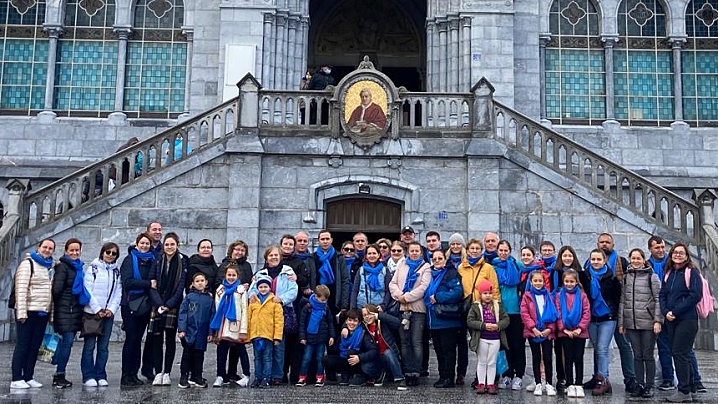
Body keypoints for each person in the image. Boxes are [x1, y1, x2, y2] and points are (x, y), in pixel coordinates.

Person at [587, 233, 637, 393]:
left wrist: (623, 315)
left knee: (624, 345)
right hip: (596, 315)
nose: (604, 244)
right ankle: (598, 377)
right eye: (601, 242)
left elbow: (626, 288)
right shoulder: (588, 267)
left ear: (613, 245)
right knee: (599, 347)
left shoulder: (621, 262)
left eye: (607, 242)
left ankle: (630, 378)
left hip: (616, 313)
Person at [248, 246, 298, 385]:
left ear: (280, 257)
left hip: (281, 310)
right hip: (262, 313)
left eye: (276, 255)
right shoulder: (260, 274)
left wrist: (281, 299)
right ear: (266, 258)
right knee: (261, 351)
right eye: (271, 255)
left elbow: (293, 291)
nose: (274, 257)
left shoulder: (288, 272)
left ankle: (277, 376)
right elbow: (252, 291)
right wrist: (252, 295)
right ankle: (262, 376)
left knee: (278, 348)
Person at [660, 243, 702, 403]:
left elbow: (695, 295)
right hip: (671, 319)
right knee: (680, 353)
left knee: (680, 353)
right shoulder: (669, 272)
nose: (677, 255)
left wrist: (675, 311)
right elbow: (662, 294)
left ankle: (683, 390)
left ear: (686, 256)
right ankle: (691, 387)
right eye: (675, 252)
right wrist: (665, 312)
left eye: (681, 253)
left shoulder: (692, 272)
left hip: (687, 318)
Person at [10, 238, 55, 390]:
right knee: (23, 345)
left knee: (35, 346)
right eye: (45, 247)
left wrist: (51, 314)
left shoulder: (50, 267)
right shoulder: (28, 264)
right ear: (38, 247)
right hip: (28, 310)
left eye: (50, 248)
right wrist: (21, 312)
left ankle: (28, 376)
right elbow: (21, 289)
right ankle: (16, 377)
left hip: (42, 312)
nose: (47, 250)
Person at [618, 248, 662, 399]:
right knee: (637, 355)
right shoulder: (626, 277)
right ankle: (639, 383)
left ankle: (649, 385)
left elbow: (658, 300)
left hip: (648, 322)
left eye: (639, 258)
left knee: (648, 355)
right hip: (632, 323)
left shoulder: (652, 277)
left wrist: (657, 320)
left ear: (643, 260)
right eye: (633, 258)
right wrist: (622, 322)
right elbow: (623, 301)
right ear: (630, 259)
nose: (636, 261)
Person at [388, 241, 431, 387]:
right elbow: (392, 284)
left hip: (418, 309)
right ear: (408, 252)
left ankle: (416, 372)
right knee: (404, 342)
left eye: (416, 250)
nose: (414, 253)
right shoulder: (402, 265)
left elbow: (423, 287)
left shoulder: (426, 267)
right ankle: (407, 371)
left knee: (416, 342)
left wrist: (406, 297)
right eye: (411, 250)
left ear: (421, 252)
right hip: (402, 309)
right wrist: (399, 295)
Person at [457, 238, 499, 387]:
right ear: (467, 250)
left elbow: (494, 288)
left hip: (483, 308)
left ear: (481, 250)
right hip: (467, 308)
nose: (474, 251)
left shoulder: (488, 268)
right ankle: (468, 374)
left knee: (483, 341)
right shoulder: (461, 267)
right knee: (468, 341)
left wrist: (495, 307)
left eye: (477, 248)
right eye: (471, 248)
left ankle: (483, 378)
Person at [148, 232, 187, 386]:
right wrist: (159, 304)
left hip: (173, 305)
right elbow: (152, 283)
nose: (169, 247)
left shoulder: (183, 261)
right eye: (167, 244)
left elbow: (180, 286)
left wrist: (169, 305)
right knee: (156, 339)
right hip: (158, 305)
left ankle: (167, 372)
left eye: (172, 244)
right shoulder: (157, 260)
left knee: (170, 340)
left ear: (177, 245)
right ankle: (158, 371)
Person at [81, 242, 122, 387]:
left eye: (113, 253)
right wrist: (97, 308)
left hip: (108, 314)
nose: (110, 255)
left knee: (103, 347)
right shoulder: (93, 268)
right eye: (108, 252)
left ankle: (100, 374)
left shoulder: (116, 271)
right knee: (89, 346)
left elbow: (118, 292)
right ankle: (88, 375)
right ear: (102, 252)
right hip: (92, 313)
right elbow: (87, 290)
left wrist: (111, 309)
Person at [583, 248, 621, 396]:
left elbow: (617, 300)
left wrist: (619, 318)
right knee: (597, 349)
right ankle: (600, 378)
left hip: (608, 317)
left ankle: (602, 380)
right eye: (593, 259)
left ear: (604, 260)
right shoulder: (585, 276)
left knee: (602, 348)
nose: (596, 262)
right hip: (592, 318)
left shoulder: (611, 278)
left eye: (599, 259)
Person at [120, 233, 157, 386]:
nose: (144, 245)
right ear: (136, 244)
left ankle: (134, 373)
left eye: (147, 243)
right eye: (142, 243)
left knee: (137, 341)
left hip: (144, 305)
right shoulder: (129, 260)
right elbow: (127, 282)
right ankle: (126, 375)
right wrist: (148, 284)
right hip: (130, 305)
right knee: (131, 340)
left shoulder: (152, 260)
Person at [52, 238, 88, 389]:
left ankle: (60, 373)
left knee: (67, 343)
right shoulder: (63, 267)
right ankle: (59, 375)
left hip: (74, 311)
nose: (74, 252)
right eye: (71, 250)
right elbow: (57, 290)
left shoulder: (78, 267)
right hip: (66, 310)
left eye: (77, 250)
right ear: (66, 251)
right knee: (66, 343)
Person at [424, 249, 463, 388]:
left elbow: (458, 293)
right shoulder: (429, 274)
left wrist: (438, 297)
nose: (437, 261)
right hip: (434, 319)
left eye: (440, 258)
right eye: (434, 259)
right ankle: (442, 376)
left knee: (448, 350)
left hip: (447, 319)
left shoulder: (451, 273)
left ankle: (449, 377)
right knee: (439, 350)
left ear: (445, 260)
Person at [215, 240, 252, 384]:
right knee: (223, 346)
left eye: (242, 250)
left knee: (237, 348)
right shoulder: (224, 265)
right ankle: (221, 374)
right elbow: (218, 281)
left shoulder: (247, 266)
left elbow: (250, 281)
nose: (239, 252)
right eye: (237, 249)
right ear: (231, 250)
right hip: (226, 310)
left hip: (239, 310)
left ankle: (232, 372)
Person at [491, 240, 524, 391]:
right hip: (499, 310)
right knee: (504, 345)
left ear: (510, 251)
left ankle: (519, 375)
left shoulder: (517, 265)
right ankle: (506, 374)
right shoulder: (493, 267)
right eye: (501, 250)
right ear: (497, 251)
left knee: (517, 344)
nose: (503, 253)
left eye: (506, 250)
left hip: (515, 310)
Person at [467, 279, 509, 395]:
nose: (488, 296)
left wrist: (498, 326)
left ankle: (490, 383)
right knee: (482, 361)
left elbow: (506, 319)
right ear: (480, 294)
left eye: (490, 293)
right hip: (482, 338)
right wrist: (483, 326)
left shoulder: (497, 306)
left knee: (492, 362)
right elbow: (470, 321)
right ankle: (481, 383)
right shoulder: (476, 306)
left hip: (495, 338)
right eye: (485, 293)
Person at [521, 269, 559, 396]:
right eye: (535, 281)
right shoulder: (527, 296)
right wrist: (533, 328)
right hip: (533, 332)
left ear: (544, 282)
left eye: (540, 280)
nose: (538, 283)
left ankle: (548, 383)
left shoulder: (549, 296)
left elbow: (554, 313)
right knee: (536, 357)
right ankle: (538, 383)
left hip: (547, 332)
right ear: (531, 282)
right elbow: (525, 314)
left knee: (548, 357)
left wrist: (550, 329)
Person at [211, 264, 249, 388]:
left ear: (238, 276)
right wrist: (215, 330)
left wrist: (243, 329)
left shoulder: (241, 290)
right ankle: (220, 375)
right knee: (221, 352)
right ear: (225, 275)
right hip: (223, 325)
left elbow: (244, 309)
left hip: (236, 325)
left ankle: (246, 375)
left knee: (241, 351)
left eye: (233, 275)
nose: (231, 277)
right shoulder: (220, 290)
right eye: (229, 275)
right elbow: (217, 309)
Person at [279, 234, 310, 385]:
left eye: (291, 244)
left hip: (295, 307)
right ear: (281, 245)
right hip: (278, 307)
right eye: (285, 244)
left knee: (295, 343)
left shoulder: (299, 262)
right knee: (280, 342)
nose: (288, 246)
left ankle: (295, 374)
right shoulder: (274, 259)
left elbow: (305, 279)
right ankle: (281, 373)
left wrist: (297, 277)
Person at [555, 269, 590, 398]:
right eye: (566, 281)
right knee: (568, 359)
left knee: (579, 358)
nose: (569, 284)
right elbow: (558, 313)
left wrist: (580, 328)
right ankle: (569, 384)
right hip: (565, 332)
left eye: (572, 281)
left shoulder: (582, 296)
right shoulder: (559, 296)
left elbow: (586, 313)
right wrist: (563, 329)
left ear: (576, 282)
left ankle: (579, 384)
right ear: (563, 282)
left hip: (580, 332)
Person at [322, 309, 382, 386]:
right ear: (346, 322)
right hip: (344, 359)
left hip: (360, 361)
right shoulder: (343, 333)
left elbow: (373, 351)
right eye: (349, 320)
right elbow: (335, 349)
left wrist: (359, 357)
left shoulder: (363, 333)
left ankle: (360, 375)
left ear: (359, 322)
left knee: (351, 352)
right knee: (327, 359)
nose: (351, 323)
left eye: (355, 321)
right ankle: (345, 374)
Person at [177, 272, 215, 389]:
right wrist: (182, 329)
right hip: (189, 330)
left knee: (199, 355)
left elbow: (212, 316)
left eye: (202, 281)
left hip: (202, 332)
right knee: (187, 354)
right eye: (197, 281)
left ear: (206, 283)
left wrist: (210, 332)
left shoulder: (209, 299)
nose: (200, 283)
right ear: (193, 284)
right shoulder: (189, 297)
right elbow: (182, 313)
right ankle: (184, 377)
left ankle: (197, 376)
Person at [248, 274, 284, 388]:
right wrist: (248, 334)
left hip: (268, 335)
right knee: (257, 358)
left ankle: (266, 378)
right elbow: (249, 319)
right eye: (261, 287)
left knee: (267, 358)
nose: (263, 289)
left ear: (269, 288)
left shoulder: (274, 302)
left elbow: (279, 321)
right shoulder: (253, 302)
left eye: (265, 287)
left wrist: (277, 337)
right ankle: (258, 377)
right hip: (256, 334)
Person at [297, 285, 335, 387]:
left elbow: (330, 323)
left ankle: (320, 376)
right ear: (316, 296)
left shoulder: (326, 309)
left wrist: (332, 336)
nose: (324, 302)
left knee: (320, 358)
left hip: (321, 338)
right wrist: (302, 337)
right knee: (306, 358)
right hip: (309, 338)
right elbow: (302, 323)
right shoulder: (308, 307)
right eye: (322, 300)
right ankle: (302, 376)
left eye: (325, 300)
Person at [361, 304, 406, 390]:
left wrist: (379, 315)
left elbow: (397, 322)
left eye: (369, 314)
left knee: (387, 352)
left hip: (390, 355)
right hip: (377, 357)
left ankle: (400, 379)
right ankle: (380, 375)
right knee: (365, 367)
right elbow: (351, 320)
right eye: (364, 315)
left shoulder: (383, 323)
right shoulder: (364, 328)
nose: (367, 317)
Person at [310, 230, 349, 325]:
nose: (325, 241)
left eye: (327, 239)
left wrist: (344, 303)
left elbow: (345, 280)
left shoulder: (339, 257)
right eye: (322, 239)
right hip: (317, 298)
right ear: (318, 241)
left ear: (331, 240)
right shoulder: (312, 258)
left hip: (335, 298)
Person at [351, 244, 390, 310]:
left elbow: (388, 291)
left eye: (374, 253)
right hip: (362, 308)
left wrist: (383, 306)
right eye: (369, 253)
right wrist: (353, 308)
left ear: (378, 255)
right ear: (366, 256)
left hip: (378, 308)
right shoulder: (361, 270)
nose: (372, 256)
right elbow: (355, 290)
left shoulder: (385, 270)